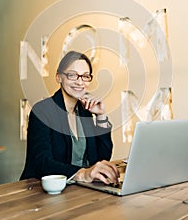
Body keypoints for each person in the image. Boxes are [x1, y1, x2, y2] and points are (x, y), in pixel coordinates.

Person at [20, 50, 119, 184]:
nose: (80, 82)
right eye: (72, 75)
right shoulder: (42, 111)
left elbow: (102, 158)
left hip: (78, 189)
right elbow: (41, 162)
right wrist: (82, 174)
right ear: (59, 77)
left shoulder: (85, 112)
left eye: (85, 76)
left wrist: (101, 116)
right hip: (41, 190)